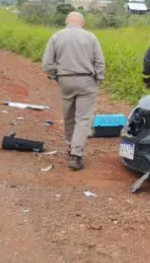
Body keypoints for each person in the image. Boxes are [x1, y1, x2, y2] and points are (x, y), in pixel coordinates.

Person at [41, 12, 105, 171]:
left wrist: (57, 76)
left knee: (69, 117)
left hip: (65, 80)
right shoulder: (91, 37)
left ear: (66, 22)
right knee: (83, 119)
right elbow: (99, 62)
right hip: (86, 80)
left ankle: (71, 147)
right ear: (82, 23)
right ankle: (76, 154)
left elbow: (47, 65)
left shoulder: (56, 37)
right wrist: (97, 79)